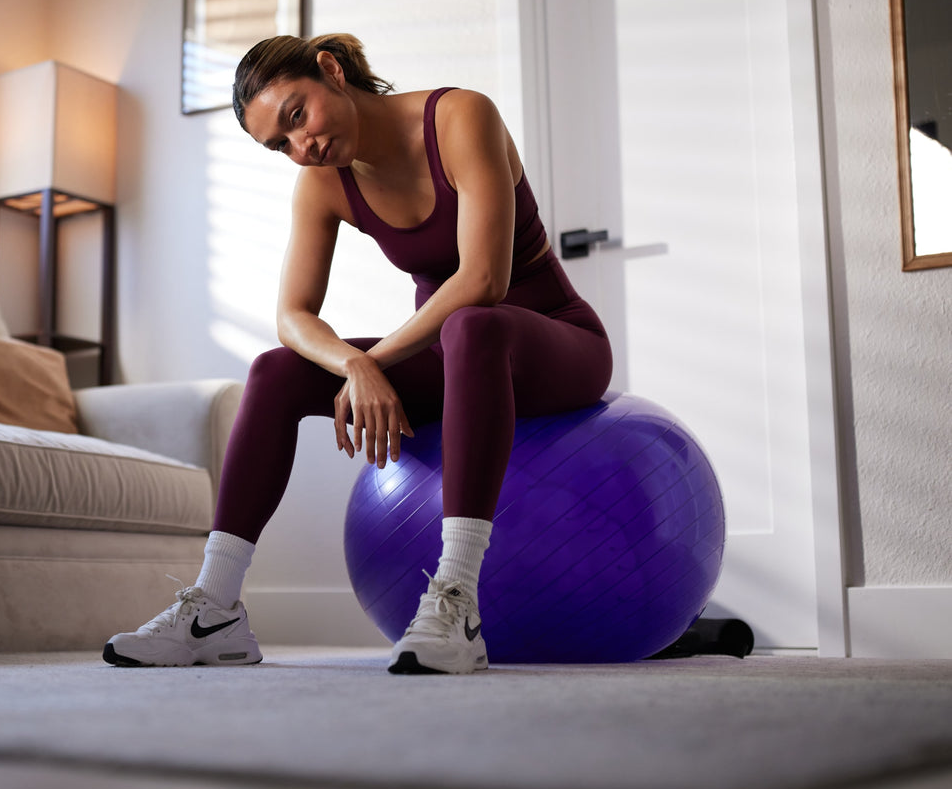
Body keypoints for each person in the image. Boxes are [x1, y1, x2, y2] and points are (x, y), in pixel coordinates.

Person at [104, 33, 612, 674]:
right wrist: (353, 362)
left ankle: (458, 603)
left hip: (556, 340)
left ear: (330, 70)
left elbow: (485, 280)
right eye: (280, 145)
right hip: (457, 354)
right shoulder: (324, 183)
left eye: (297, 116)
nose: (301, 147)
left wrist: (376, 360)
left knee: (473, 326)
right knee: (276, 370)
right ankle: (214, 608)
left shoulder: (459, 116)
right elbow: (292, 317)